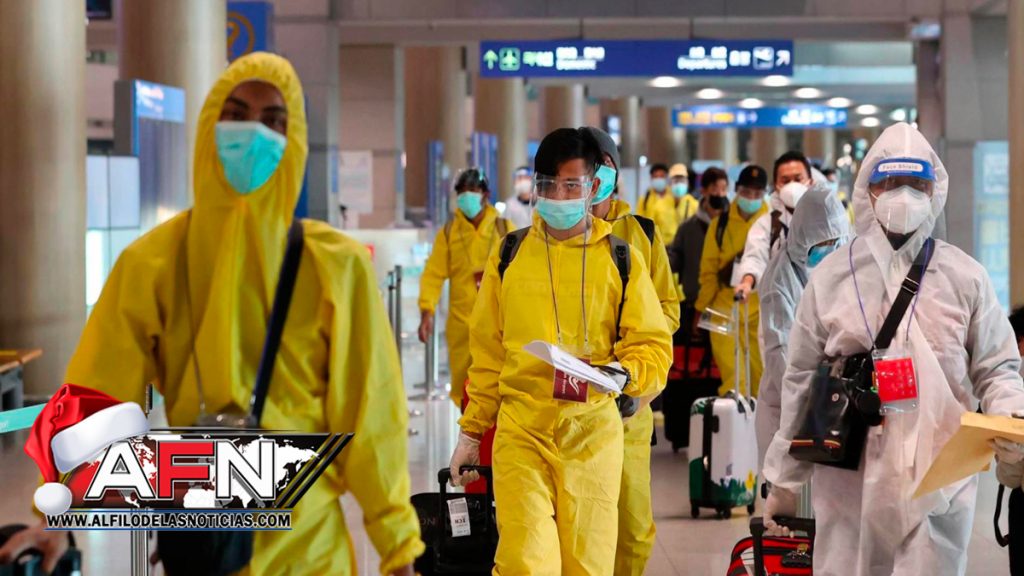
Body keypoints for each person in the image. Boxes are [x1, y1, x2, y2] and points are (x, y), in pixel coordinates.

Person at [0, 53, 423, 576]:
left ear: (294, 141)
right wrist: (55, 515)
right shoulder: (153, 263)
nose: (254, 133)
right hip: (204, 545)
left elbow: (371, 414)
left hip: (308, 551)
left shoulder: (336, 267)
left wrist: (398, 546)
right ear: (208, 128)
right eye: (237, 114)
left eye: (274, 121)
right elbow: (96, 393)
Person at [763, 122, 1024, 575]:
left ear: (934, 191)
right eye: (891, 182)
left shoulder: (964, 277)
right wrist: (784, 479)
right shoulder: (831, 278)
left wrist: (1012, 419)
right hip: (851, 471)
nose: (904, 195)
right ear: (869, 190)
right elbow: (801, 379)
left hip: (939, 477)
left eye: (916, 184)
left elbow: (997, 366)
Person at [449, 127, 672, 575]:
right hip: (522, 431)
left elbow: (652, 343)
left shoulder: (621, 259)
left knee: (587, 564)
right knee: (525, 562)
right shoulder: (510, 254)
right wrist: (471, 434)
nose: (559, 196)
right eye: (549, 185)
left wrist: (626, 373)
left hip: (592, 434)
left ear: (593, 187)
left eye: (571, 185)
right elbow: (488, 354)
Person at [582, 126, 680, 576]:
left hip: (627, 402)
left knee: (633, 525)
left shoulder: (640, 232)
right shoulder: (548, 237)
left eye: (600, 166)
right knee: (579, 525)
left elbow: (668, 310)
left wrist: (635, 361)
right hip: (570, 403)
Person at [754, 184, 850, 467]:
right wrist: (806, 405)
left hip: (829, 399)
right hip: (786, 403)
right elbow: (779, 350)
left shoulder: (841, 269)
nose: (830, 249)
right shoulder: (780, 279)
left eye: (835, 241)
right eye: (822, 243)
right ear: (802, 237)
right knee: (785, 484)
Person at [418, 168, 510, 408]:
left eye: (473, 190)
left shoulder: (504, 229)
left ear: (485, 194)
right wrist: (426, 310)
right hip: (462, 325)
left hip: (498, 323)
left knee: (498, 387)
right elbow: (433, 274)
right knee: (464, 389)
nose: (467, 195)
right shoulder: (449, 233)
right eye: (462, 191)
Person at [696, 165, 768, 396]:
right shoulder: (720, 224)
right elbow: (708, 271)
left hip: (762, 310)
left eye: (757, 193)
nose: (752, 198)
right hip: (724, 309)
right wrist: (701, 307)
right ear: (736, 189)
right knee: (734, 380)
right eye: (747, 192)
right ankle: (735, 417)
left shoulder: (773, 223)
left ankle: (760, 419)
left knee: (762, 379)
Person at [734, 151, 813, 301]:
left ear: (810, 181)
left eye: (798, 179)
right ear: (776, 186)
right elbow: (755, 258)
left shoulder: (827, 222)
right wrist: (747, 281)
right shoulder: (767, 224)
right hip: (780, 307)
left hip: (821, 307)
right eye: (785, 180)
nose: (792, 186)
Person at [670, 167, 729, 322]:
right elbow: (675, 260)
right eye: (714, 189)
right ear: (703, 191)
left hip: (726, 304)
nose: (720, 194)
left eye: (724, 189)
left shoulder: (732, 225)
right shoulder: (688, 228)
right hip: (693, 301)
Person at [637, 162, 676, 243]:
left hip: (671, 243)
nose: (659, 179)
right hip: (652, 242)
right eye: (656, 176)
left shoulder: (674, 197)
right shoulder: (644, 199)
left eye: (661, 176)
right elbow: (639, 223)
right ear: (651, 178)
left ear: (666, 178)